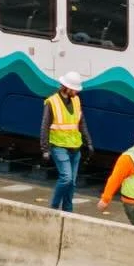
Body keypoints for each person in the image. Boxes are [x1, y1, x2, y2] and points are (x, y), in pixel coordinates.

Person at [39, 71, 92, 212]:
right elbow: (44, 126)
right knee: (66, 178)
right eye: (74, 89)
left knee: (72, 183)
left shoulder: (76, 100)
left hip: (75, 147)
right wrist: (45, 149)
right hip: (59, 146)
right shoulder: (52, 102)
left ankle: (68, 210)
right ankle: (54, 206)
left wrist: (88, 142)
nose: (76, 92)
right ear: (66, 87)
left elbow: (81, 123)